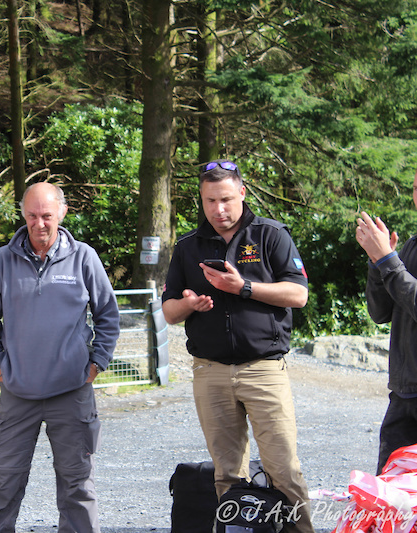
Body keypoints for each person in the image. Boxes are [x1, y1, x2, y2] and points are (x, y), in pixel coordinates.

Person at [161, 159, 314, 533]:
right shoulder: (187, 246)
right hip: (210, 371)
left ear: (242, 193)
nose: (219, 210)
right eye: (210, 201)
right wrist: (190, 304)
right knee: (227, 474)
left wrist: (243, 287)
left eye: (226, 199)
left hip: (263, 369)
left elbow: (298, 294)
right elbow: (168, 311)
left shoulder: (270, 235)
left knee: (283, 470)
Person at [0, 182, 120, 533]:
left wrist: (96, 363)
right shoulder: (2, 261)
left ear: (63, 213)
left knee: (78, 488)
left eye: (47, 216)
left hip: (71, 392)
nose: (40, 224)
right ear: (23, 215)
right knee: (2, 486)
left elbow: (108, 316)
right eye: (32, 216)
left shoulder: (84, 257)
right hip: (18, 393)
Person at [356, 171, 417, 474]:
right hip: (403, 394)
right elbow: (381, 313)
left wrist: (388, 260)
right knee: (390, 499)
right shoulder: (413, 245)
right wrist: (375, 261)